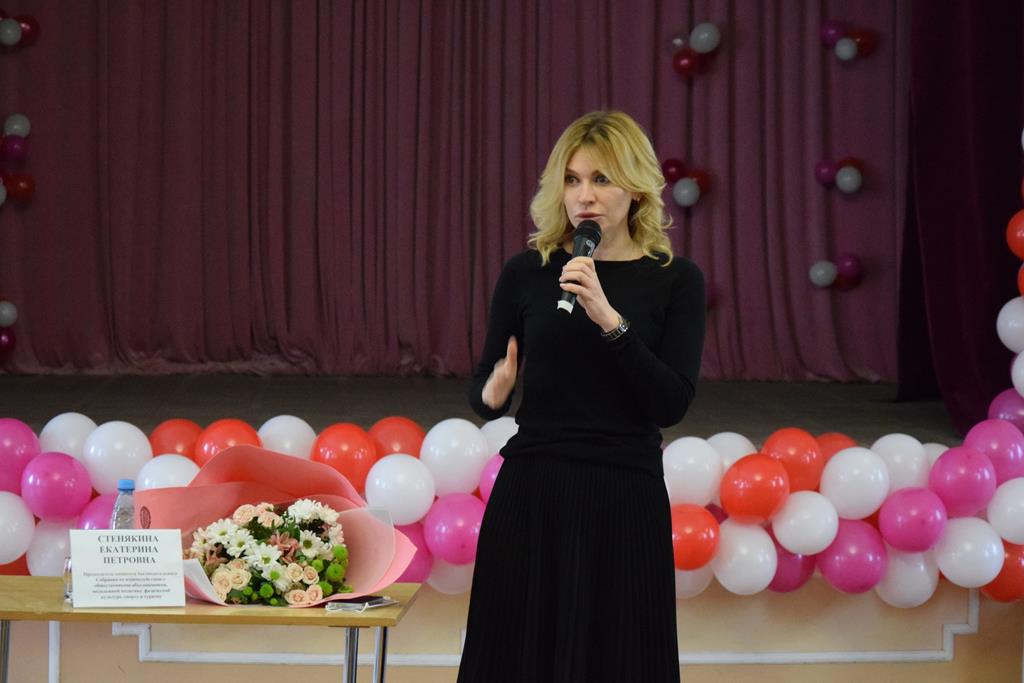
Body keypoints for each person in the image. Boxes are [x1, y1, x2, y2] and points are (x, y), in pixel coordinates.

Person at [458, 110, 706, 683]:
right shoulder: (528, 272)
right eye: (572, 180)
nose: (584, 196)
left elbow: (670, 403)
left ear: (636, 188)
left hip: (622, 496)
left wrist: (609, 319)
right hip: (533, 491)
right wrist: (493, 391)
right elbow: (483, 388)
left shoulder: (676, 280)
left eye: (601, 179)